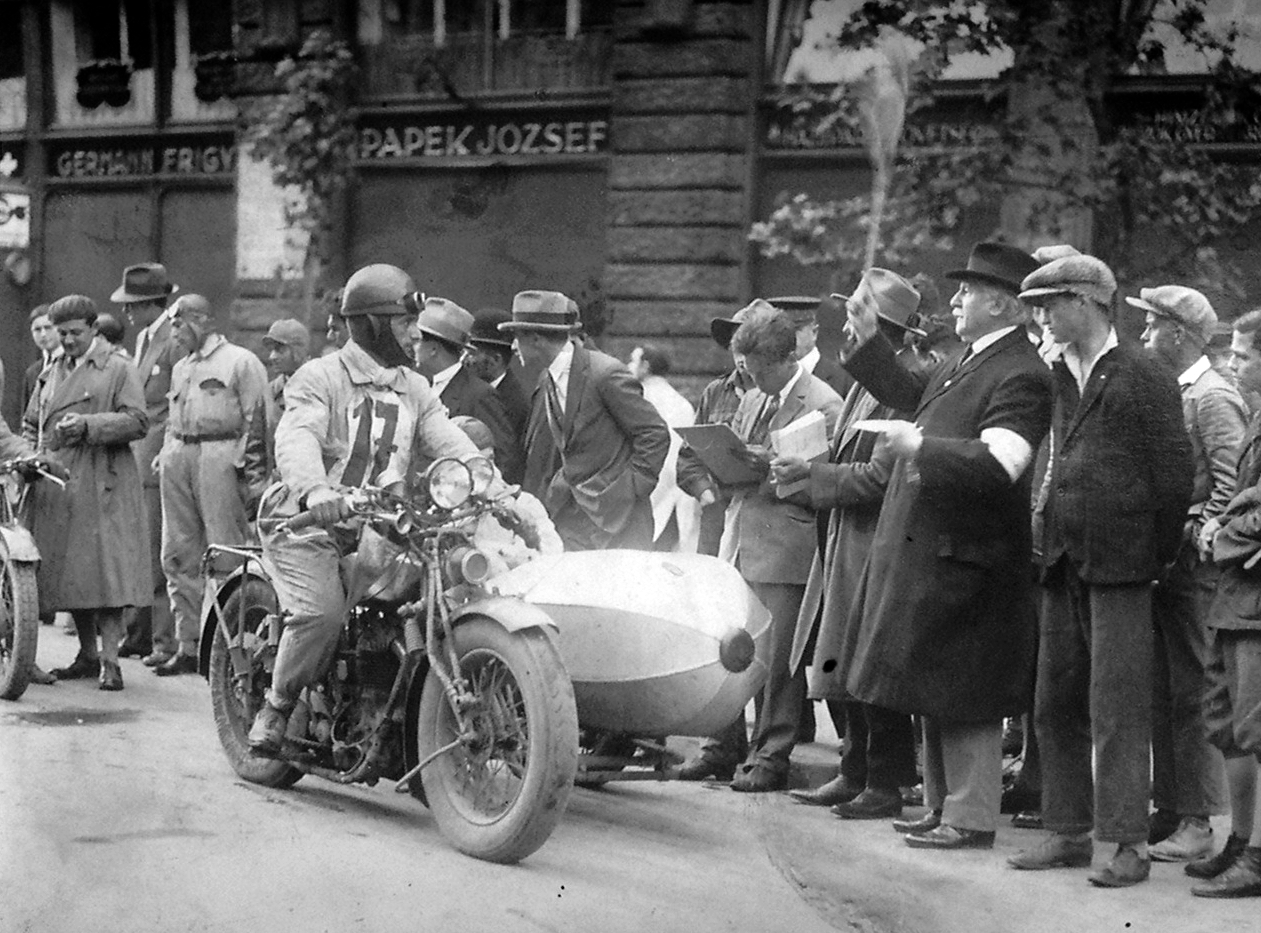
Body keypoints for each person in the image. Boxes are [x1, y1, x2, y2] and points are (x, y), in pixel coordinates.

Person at [840, 242, 1052, 851]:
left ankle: (971, 816)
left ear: (1002, 304)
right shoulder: (972, 361)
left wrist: (919, 448)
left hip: (970, 557)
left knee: (967, 691)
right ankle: (942, 807)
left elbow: (1003, 462)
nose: (955, 301)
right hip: (942, 551)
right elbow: (913, 394)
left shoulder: (1021, 372)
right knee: (935, 684)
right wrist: (867, 339)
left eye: (966, 293)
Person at [247, 263, 486, 754]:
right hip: (305, 522)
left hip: (379, 522)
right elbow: (297, 438)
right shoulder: (320, 376)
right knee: (322, 614)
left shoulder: (413, 386)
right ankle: (276, 706)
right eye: (404, 324)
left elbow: (451, 441)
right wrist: (315, 491)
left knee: (436, 590)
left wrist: (493, 486)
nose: (415, 336)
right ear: (373, 324)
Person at [1010, 253, 1193, 887]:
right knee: (1054, 700)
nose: (1043, 315)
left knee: (1117, 708)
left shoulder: (1143, 372)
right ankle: (1066, 830)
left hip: (1121, 567)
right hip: (1063, 559)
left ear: (1089, 302)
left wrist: (1154, 555)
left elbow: (1174, 476)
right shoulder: (1058, 372)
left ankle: (1127, 844)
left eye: (1051, 303)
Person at [778, 269, 923, 818]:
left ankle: (883, 782)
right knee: (846, 656)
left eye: (857, 317)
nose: (845, 326)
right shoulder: (867, 381)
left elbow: (877, 478)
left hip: (873, 540)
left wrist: (813, 479)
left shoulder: (900, 385)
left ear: (884, 329)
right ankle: (856, 768)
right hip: (848, 536)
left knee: (869, 659)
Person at [1132, 285, 1241, 859]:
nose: (1145, 337)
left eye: (1151, 327)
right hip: (1167, 564)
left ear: (1178, 334)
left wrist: (1200, 525)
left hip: (1196, 568)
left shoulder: (1211, 397)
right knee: (1165, 691)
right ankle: (1172, 807)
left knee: (1193, 691)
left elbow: (1232, 482)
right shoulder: (1173, 390)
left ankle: (1197, 820)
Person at [717, 309, 844, 792]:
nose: (753, 379)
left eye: (761, 370)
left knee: (780, 661)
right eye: (748, 369)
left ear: (787, 360)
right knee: (742, 650)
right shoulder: (752, 396)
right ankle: (745, 747)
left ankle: (772, 755)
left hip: (789, 544)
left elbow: (823, 484)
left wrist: (773, 465)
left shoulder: (824, 404)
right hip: (745, 536)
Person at [23, 295, 151, 692]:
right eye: (62, 334)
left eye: (75, 333)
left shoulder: (117, 367)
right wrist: (31, 457)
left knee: (104, 574)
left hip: (103, 479)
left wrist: (91, 425)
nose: (68, 341)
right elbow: (32, 422)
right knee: (72, 574)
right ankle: (86, 654)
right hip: (59, 479)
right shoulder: (52, 371)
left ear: (94, 328)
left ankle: (111, 661)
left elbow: (138, 421)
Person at [673, 300, 772, 781]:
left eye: (746, 341)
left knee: (764, 635)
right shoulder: (716, 392)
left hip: (762, 526)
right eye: (733, 343)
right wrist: (705, 489)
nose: (738, 354)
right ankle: (721, 743)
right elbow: (687, 456)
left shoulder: (781, 395)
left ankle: (767, 748)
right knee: (717, 634)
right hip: (717, 523)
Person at [154, 295, 272, 677]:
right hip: (180, 453)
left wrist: (257, 479)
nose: (173, 332)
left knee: (227, 553)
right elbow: (174, 417)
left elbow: (261, 422)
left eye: (178, 324)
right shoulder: (181, 366)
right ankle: (187, 644)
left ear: (201, 321)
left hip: (222, 456)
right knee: (178, 551)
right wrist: (166, 452)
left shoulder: (240, 362)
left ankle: (228, 644)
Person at [505, 290, 670, 552]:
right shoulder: (547, 379)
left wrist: (629, 490)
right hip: (575, 522)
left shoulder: (605, 373)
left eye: (517, 337)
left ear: (535, 338)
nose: (513, 346)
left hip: (621, 523)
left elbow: (655, 433)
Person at [1191, 308, 1261, 897]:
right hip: (1236, 593)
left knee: (1258, 727)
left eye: (1242, 355)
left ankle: (1258, 858)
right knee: (1232, 724)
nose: (1231, 364)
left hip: (1253, 597)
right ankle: (1241, 841)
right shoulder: (1257, 419)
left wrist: (1225, 532)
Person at [113, 262, 186, 668]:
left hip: (159, 455)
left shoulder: (171, 340)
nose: (126, 312)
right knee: (139, 545)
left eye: (133, 304)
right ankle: (138, 633)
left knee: (161, 548)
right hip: (139, 454)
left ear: (150, 303)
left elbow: (177, 400)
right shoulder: (143, 338)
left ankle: (164, 640)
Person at [413, 297, 518, 475]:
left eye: (418, 341)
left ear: (433, 349)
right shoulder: (422, 387)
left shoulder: (480, 395)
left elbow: (503, 460)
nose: (411, 345)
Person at [450, 415, 562, 573]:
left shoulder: (524, 504)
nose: (486, 472)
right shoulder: (444, 519)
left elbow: (552, 554)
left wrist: (530, 537)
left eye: (489, 460)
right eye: (473, 467)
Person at [629, 344, 700, 553]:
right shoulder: (682, 403)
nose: (628, 366)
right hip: (678, 490)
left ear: (646, 366)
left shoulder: (642, 400)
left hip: (655, 488)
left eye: (633, 361)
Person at [465, 309, 529, 484]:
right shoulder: (477, 390)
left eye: (472, 353)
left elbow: (506, 460)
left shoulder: (511, 402)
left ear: (495, 360)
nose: (465, 359)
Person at [770, 295, 854, 399]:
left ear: (814, 332)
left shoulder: (843, 380)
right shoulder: (766, 379)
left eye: (795, 331)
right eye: (781, 333)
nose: (787, 338)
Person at [23, 304, 58, 409]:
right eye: (37, 329)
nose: (43, 334)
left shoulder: (72, 363)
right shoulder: (32, 372)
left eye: (48, 328)